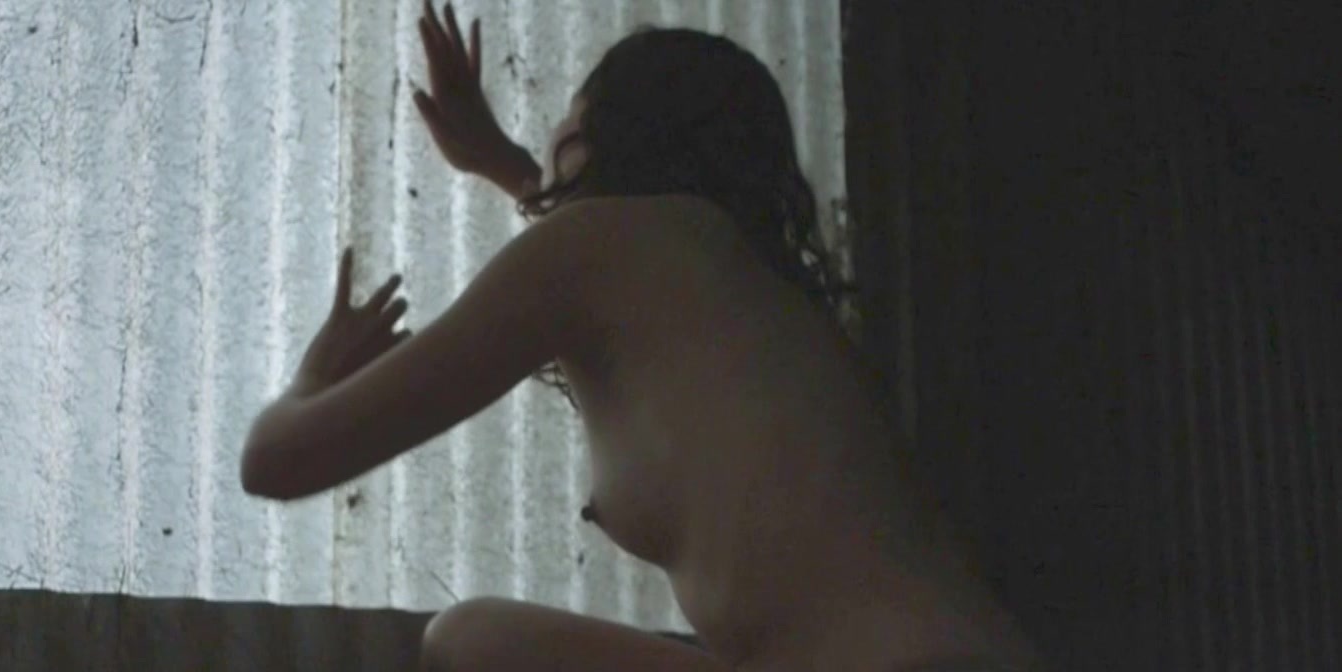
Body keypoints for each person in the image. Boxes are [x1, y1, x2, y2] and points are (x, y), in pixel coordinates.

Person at [240, 2, 1046, 670]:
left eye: (568, 114)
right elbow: (588, 227)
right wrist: (498, 158)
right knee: (478, 640)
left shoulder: (600, 252)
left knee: (469, 641)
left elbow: (276, 462)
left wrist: (314, 377)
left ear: (603, 132)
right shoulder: (752, 295)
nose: (551, 137)